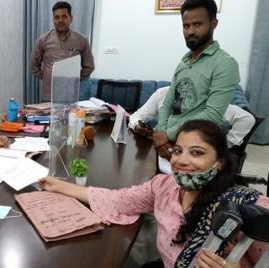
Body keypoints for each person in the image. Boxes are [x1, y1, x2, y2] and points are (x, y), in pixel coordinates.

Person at [39, 119, 269, 267]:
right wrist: (59, 186)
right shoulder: (164, 186)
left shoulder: (244, 205)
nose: (182, 160)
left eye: (197, 153)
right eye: (177, 151)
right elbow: (119, 199)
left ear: (219, 163)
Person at [154, 0, 240, 158]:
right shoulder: (183, 63)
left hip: (196, 150)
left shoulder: (225, 64)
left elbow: (212, 115)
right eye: (186, 26)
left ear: (214, 24)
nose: (190, 31)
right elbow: (168, 103)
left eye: (197, 24)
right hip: (167, 146)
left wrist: (168, 135)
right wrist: (161, 132)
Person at [129, 86, 255, 148]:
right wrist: (137, 125)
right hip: (159, 146)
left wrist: (224, 145)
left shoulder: (208, 101)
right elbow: (137, 116)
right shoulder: (162, 93)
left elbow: (247, 119)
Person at [29, 1, 94, 101]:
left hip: (72, 97)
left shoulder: (82, 40)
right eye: (57, 17)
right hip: (48, 97)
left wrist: (74, 77)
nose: (60, 20)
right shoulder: (43, 40)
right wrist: (48, 76)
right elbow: (33, 66)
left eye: (64, 16)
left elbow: (89, 66)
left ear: (70, 18)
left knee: (72, 117)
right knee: (48, 117)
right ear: (53, 19)